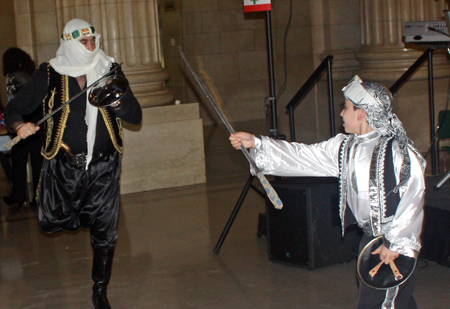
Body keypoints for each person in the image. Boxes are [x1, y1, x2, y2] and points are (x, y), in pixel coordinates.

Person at [230, 75, 426, 309]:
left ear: (362, 113)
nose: (342, 114)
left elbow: (413, 196)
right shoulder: (345, 147)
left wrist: (396, 244)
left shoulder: (397, 150)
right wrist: (258, 143)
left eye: (346, 107)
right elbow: (304, 155)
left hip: (392, 244)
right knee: (396, 301)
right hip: (370, 240)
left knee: (383, 304)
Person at [4, 19, 142, 309]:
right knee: (52, 221)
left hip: (104, 165)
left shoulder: (109, 69)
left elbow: (135, 115)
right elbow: (15, 107)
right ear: (69, 43)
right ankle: (84, 216)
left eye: (94, 40)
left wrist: (116, 101)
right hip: (65, 164)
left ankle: (100, 289)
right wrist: (18, 125)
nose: (92, 47)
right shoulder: (50, 73)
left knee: (105, 230)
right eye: (84, 42)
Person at [2, 47, 43, 207]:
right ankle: (37, 197)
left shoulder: (13, 75)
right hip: (36, 121)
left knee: (18, 161)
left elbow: (15, 102)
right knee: (37, 160)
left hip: (21, 122)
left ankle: (18, 195)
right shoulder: (32, 73)